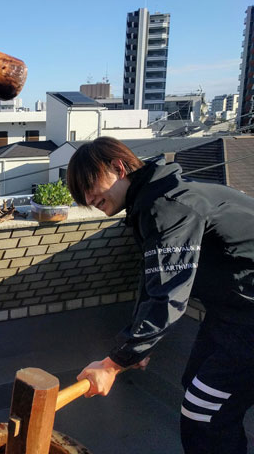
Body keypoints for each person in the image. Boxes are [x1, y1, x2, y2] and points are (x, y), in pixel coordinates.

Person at [66, 136, 254, 453]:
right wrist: (135, 349)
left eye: (89, 185)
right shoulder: (152, 201)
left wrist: (113, 364)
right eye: (81, 193)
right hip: (232, 312)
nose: (89, 198)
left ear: (118, 166)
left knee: (203, 412)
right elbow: (156, 278)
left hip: (248, 317)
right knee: (194, 384)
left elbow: (168, 297)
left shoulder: (167, 206)